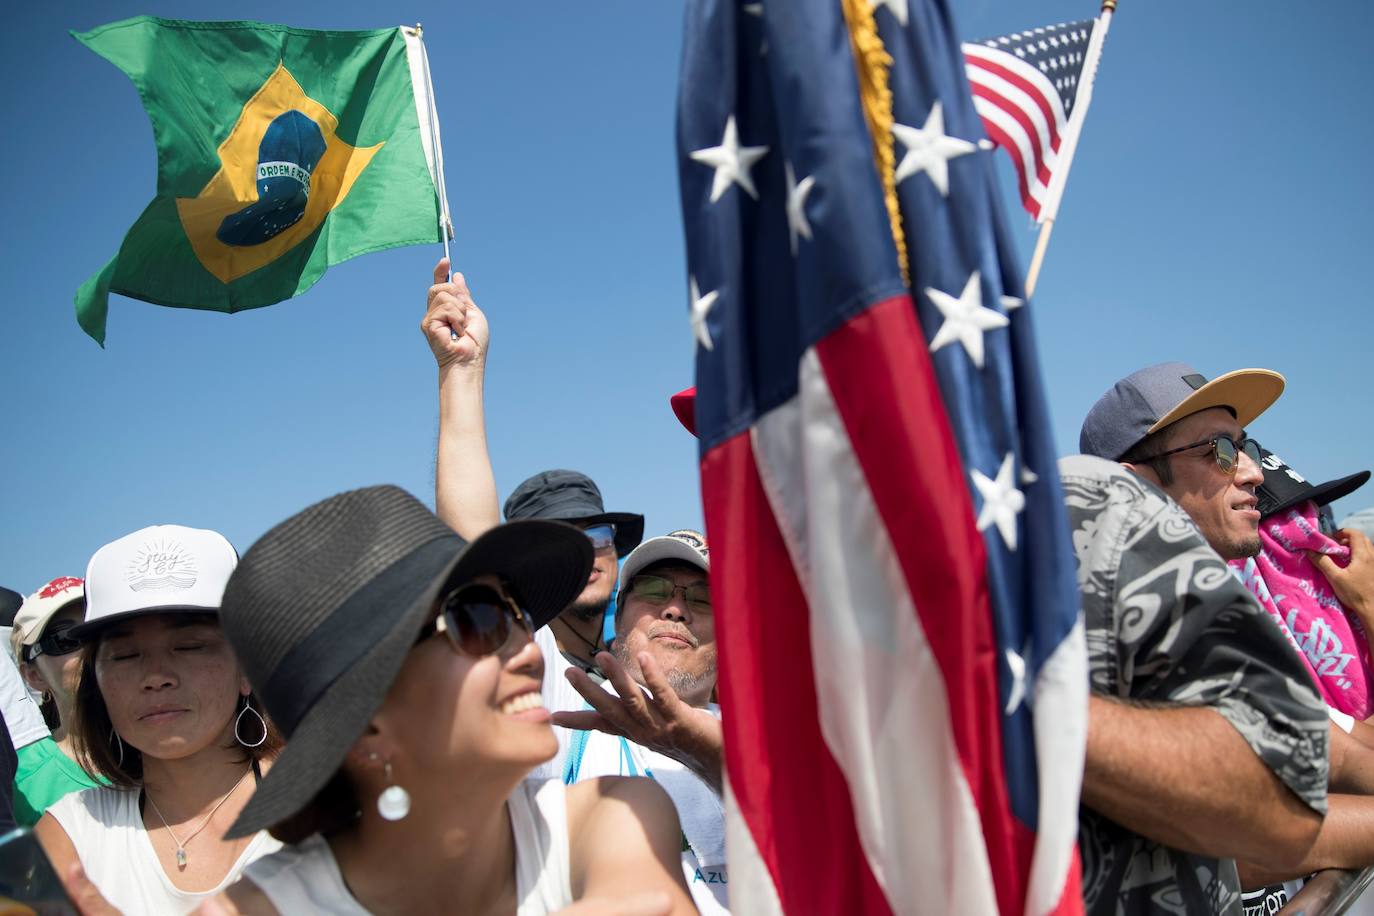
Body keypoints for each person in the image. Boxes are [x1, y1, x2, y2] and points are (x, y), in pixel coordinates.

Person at [206, 484, 695, 915]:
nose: (527, 650)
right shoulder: (259, 908)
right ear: (367, 722)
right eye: (477, 620)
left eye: (518, 614)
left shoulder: (614, 813)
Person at [1071, 363, 1334, 914]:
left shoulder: (1221, 618)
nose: (1253, 473)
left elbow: (1336, 747)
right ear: (1132, 484)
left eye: (1246, 447)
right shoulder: (1090, 640)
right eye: (1218, 450)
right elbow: (1265, 812)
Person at [421, 257, 645, 781]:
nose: (586, 555)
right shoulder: (527, 658)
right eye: (558, 546)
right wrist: (461, 372)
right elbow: (467, 546)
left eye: (597, 536)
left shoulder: (664, 655)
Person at [34, 524, 283, 915]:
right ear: (96, 683)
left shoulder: (330, 812)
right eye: (125, 655)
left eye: (189, 646)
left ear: (246, 667)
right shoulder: (68, 835)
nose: (156, 676)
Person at [554, 529, 728, 914]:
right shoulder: (568, 704)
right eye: (653, 589)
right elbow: (477, 575)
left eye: (703, 597)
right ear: (620, 611)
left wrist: (702, 751)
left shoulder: (768, 745)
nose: (675, 609)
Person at [11, 577, 105, 824]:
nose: (91, 646)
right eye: (65, 638)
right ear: (34, 675)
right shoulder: (18, 781)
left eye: (100, 628)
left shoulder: (176, 748)